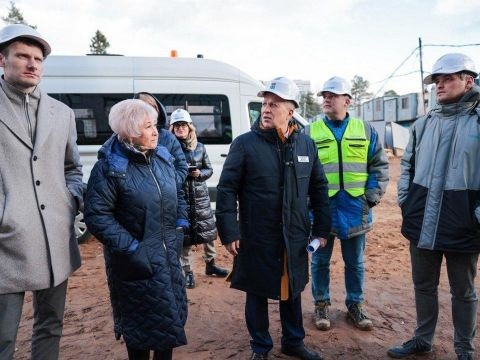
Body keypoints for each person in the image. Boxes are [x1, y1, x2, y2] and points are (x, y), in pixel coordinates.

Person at [216, 77, 331, 360]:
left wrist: (322, 230)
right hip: (257, 234)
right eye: (265, 104)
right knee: (256, 291)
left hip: (294, 233)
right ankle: (260, 347)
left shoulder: (306, 145)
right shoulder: (244, 144)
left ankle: (293, 341)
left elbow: (319, 189)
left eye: (274, 104)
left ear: (291, 110)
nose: (266, 109)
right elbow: (227, 190)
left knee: (292, 288)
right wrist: (229, 232)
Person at [388, 53, 480, 360]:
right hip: (421, 220)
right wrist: (406, 203)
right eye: (437, 80)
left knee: (463, 292)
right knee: (423, 286)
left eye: (448, 78)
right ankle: (422, 340)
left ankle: (464, 350)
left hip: (463, 223)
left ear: (469, 80)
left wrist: (477, 215)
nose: (439, 85)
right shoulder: (423, 124)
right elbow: (407, 167)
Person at [0, 24, 83, 360]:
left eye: (38, 58)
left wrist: (70, 202)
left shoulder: (61, 113)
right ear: (2, 60)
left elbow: (72, 168)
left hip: (55, 241)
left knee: (51, 326)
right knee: (3, 337)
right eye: (22, 56)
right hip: (6, 243)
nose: (32, 63)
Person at [84, 99, 188, 360]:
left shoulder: (162, 157)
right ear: (130, 132)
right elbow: (97, 216)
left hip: (167, 258)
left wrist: (181, 224)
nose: (156, 132)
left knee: (169, 324)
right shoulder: (109, 168)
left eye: (154, 125)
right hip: (134, 263)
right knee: (141, 331)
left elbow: (177, 192)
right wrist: (131, 247)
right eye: (148, 126)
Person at [308, 76, 389, 332]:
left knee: (355, 262)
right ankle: (321, 304)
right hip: (322, 211)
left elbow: (379, 166)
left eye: (332, 95)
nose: (327, 99)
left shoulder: (365, 130)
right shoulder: (309, 132)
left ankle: (355, 305)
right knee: (319, 261)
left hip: (356, 209)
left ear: (347, 100)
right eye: (324, 96)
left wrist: (371, 197)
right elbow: (301, 172)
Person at [170, 108, 229, 288]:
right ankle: (187, 272)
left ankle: (210, 265)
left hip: (200, 198)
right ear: (172, 129)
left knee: (208, 234)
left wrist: (199, 174)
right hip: (181, 198)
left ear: (190, 127)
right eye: (177, 126)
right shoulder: (169, 148)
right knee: (185, 239)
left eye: (183, 125)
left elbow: (209, 169)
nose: (180, 129)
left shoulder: (200, 147)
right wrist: (181, 173)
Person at [133, 92, 188, 185]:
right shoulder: (125, 136)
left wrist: (170, 185)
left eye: (153, 107)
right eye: (145, 107)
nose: (150, 110)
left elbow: (181, 166)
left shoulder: (168, 137)